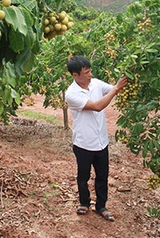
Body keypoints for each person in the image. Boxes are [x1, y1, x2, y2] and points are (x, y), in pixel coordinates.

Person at [65, 55, 128, 222]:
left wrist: (132, 70)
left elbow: (116, 88)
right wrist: (115, 89)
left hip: (101, 142)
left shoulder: (97, 84)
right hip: (83, 143)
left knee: (102, 176)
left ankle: (101, 206)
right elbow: (97, 107)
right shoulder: (71, 94)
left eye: (90, 71)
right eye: (86, 72)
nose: (90, 74)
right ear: (75, 75)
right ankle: (84, 202)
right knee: (83, 176)